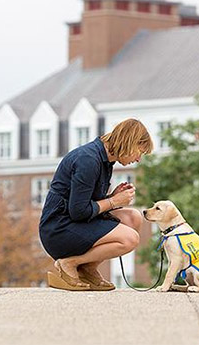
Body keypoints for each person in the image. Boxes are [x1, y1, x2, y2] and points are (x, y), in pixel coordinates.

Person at [39, 118, 154, 291]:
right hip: (58, 229)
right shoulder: (88, 160)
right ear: (129, 143)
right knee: (130, 239)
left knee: (133, 218)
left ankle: (88, 268)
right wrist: (114, 201)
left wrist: (112, 197)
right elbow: (78, 211)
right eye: (139, 152)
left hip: (76, 222)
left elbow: (85, 204)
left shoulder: (105, 161)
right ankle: (69, 263)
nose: (138, 159)